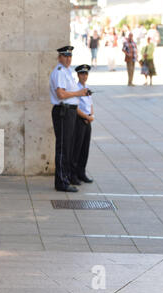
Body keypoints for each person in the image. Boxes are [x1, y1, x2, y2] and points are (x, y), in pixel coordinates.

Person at [49, 46, 89, 193]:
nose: (68, 59)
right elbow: (60, 94)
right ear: (59, 57)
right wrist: (78, 92)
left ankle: (65, 178)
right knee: (63, 147)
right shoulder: (59, 72)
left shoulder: (67, 72)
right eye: (65, 56)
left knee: (68, 147)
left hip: (69, 112)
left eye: (70, 56)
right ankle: (61, 181)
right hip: (63, 111)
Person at [71, 65, 94, 186]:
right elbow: (76, 107)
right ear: (78, 75)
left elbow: (90, 104)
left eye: (86, 74)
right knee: (77, 148)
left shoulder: (87, 88)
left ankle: (82, 172)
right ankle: (73, 174)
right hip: (80, 120)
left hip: (88, 120)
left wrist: (91, 115)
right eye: (82, 74)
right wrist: (86, 117)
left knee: (85, 148)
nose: (84, 76)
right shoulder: (76, 89)